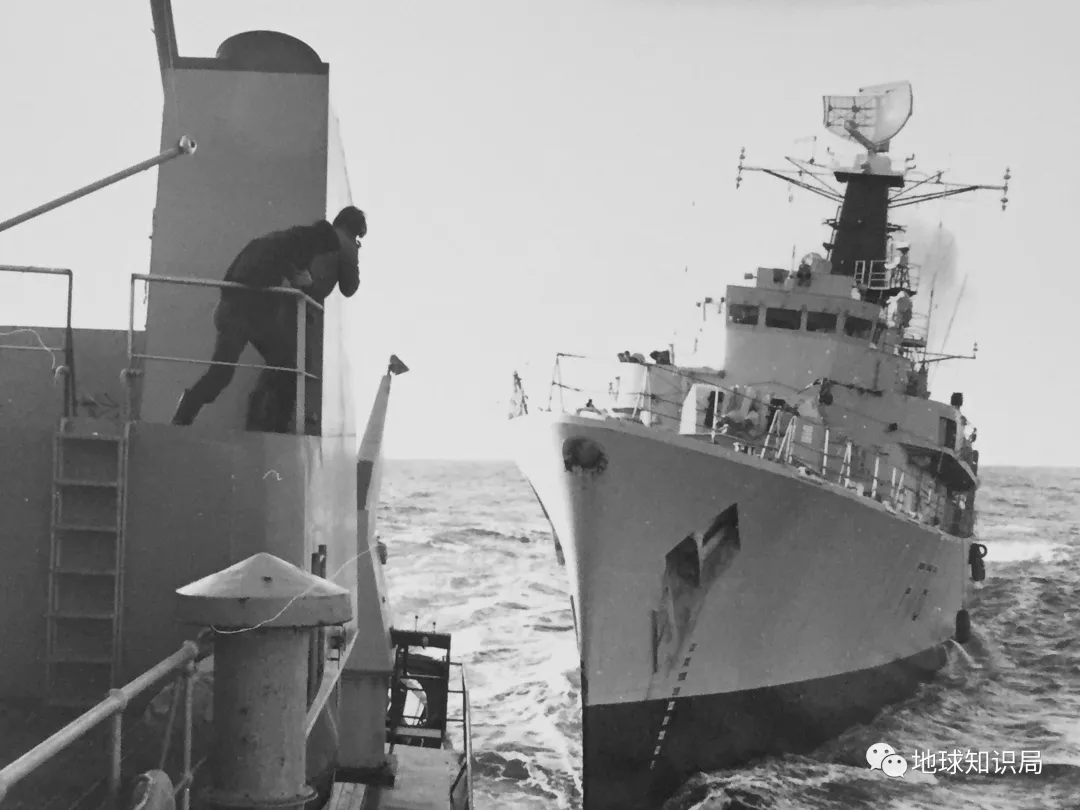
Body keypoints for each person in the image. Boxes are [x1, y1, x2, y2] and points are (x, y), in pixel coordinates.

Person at [171, 206, 367, 431]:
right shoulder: (301, 246)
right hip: (244, 316)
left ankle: (188, 414)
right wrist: (305, 281)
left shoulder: (278, 240)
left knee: (244, 370)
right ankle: (274, 426)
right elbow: (307, 280)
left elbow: (251, 271)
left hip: (241, 312)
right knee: (276, 368)